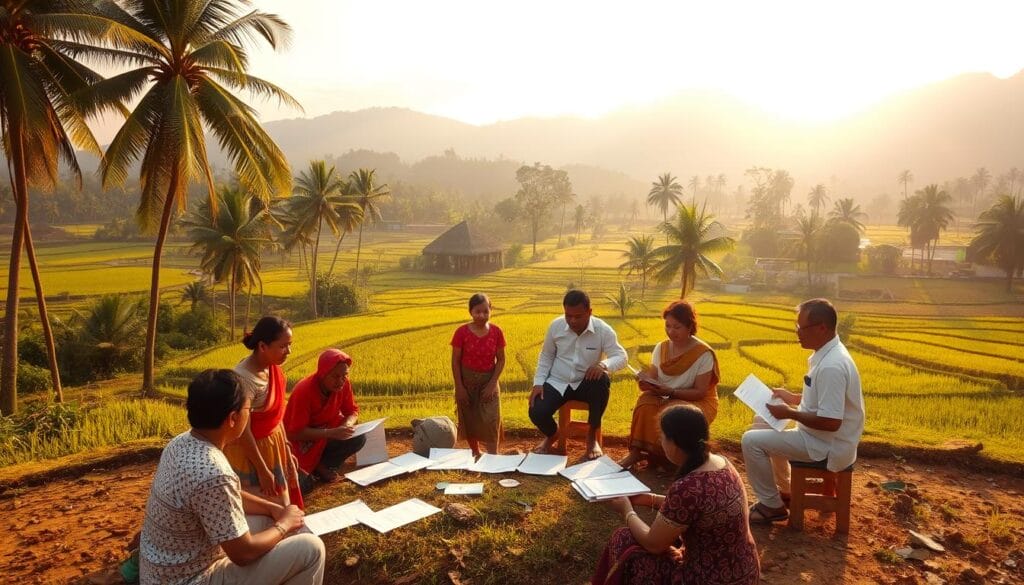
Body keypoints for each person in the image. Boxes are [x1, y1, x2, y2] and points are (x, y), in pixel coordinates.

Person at [139, 369, 325, 585]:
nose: (250, 415)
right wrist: (283, 524)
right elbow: (243, 554)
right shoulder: (213, 473)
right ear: (233, 419)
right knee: (311, 550)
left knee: (266, 520)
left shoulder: (180, 443)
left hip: (163, 573)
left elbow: (225, 499)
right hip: (193, 578)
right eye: (249, 409)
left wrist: (271, 508)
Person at [592, 404, 760, 585]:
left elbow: (653, 544)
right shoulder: (722, 463)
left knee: (623, 540)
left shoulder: (688, 488)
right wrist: (650, 499)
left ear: (674, 443)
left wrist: (626, 510)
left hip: (707, 578)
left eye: (662, 437)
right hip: (744, 572)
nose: (660, 442)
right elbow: (700, 509)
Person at [741, 298, 865, 524]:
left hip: (827, 446)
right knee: (761, 421)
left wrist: (789, 413)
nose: (797, 332)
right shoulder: (827, 353)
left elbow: (831, 421)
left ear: (821, 328)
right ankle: (786, 489)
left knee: (750, 441)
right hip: (820, 437)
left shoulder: (831, 366)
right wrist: (792, 398)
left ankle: (771, 506)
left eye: (801, 327)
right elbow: (822, 399)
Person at [619, 300, 720, 470]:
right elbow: (653, 377)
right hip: (665, 395)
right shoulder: (661, 348)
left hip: (696, 401)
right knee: (645, 403)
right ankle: (636, 452)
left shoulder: (703, 354)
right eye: (668, 326)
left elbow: (701, 392)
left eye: (677, 327)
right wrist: (645, 382)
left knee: (674, 412)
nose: (671, 332)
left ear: (690, 327)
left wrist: (672, 392)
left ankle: (668, 460)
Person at [530, 289, 627, 459]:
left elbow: (621, 356)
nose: (572, 321)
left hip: (585, 382)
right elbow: (546, 355)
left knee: (601, 381)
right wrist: (538, 383)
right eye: (568, 315)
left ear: (589, 312)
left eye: (578, 316)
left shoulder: (603, 330)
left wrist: (603, 365)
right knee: (536, 411)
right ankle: (552, 434)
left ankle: (591, 438)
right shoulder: (556, 326)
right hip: (558, 381)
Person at [222, 316, 303, 509]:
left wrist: (285, 448)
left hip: (273, 445)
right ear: (262, 346)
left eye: (290, 345)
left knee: (281, 501)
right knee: (265, 507)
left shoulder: (271, 368)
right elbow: (243, 431)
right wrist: (263, 470)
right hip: (252, 454)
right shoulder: (243, 379)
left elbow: (276, 416)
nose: (288, 352)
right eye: (283, 346)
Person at [283, 349, 366, 495]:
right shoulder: (304, 391)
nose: (340, 381)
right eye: (335, 376)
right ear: (322, 373)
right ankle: (315, 468)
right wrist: (331, 433)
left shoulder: (343, 384)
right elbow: (293, 434)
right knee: (301, 487)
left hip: (327, 432)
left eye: (344, 375)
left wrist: (346, 426)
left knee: (358, 437)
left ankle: (323, 465)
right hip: (301, 444)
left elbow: (352, 411)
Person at [450, 292, 506, 456]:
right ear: (470, 312)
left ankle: (493, 455)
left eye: (485, 311)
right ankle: (476, 452)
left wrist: (491, 385)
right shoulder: (461, 332)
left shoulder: (496, 332)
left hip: (489, 381)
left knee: (491, 419)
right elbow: (455, 361)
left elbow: (501, 360)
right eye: (477, 312)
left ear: (491, 310)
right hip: (466, 382)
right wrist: (459, 387)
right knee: (469, 418)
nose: (482, 315)